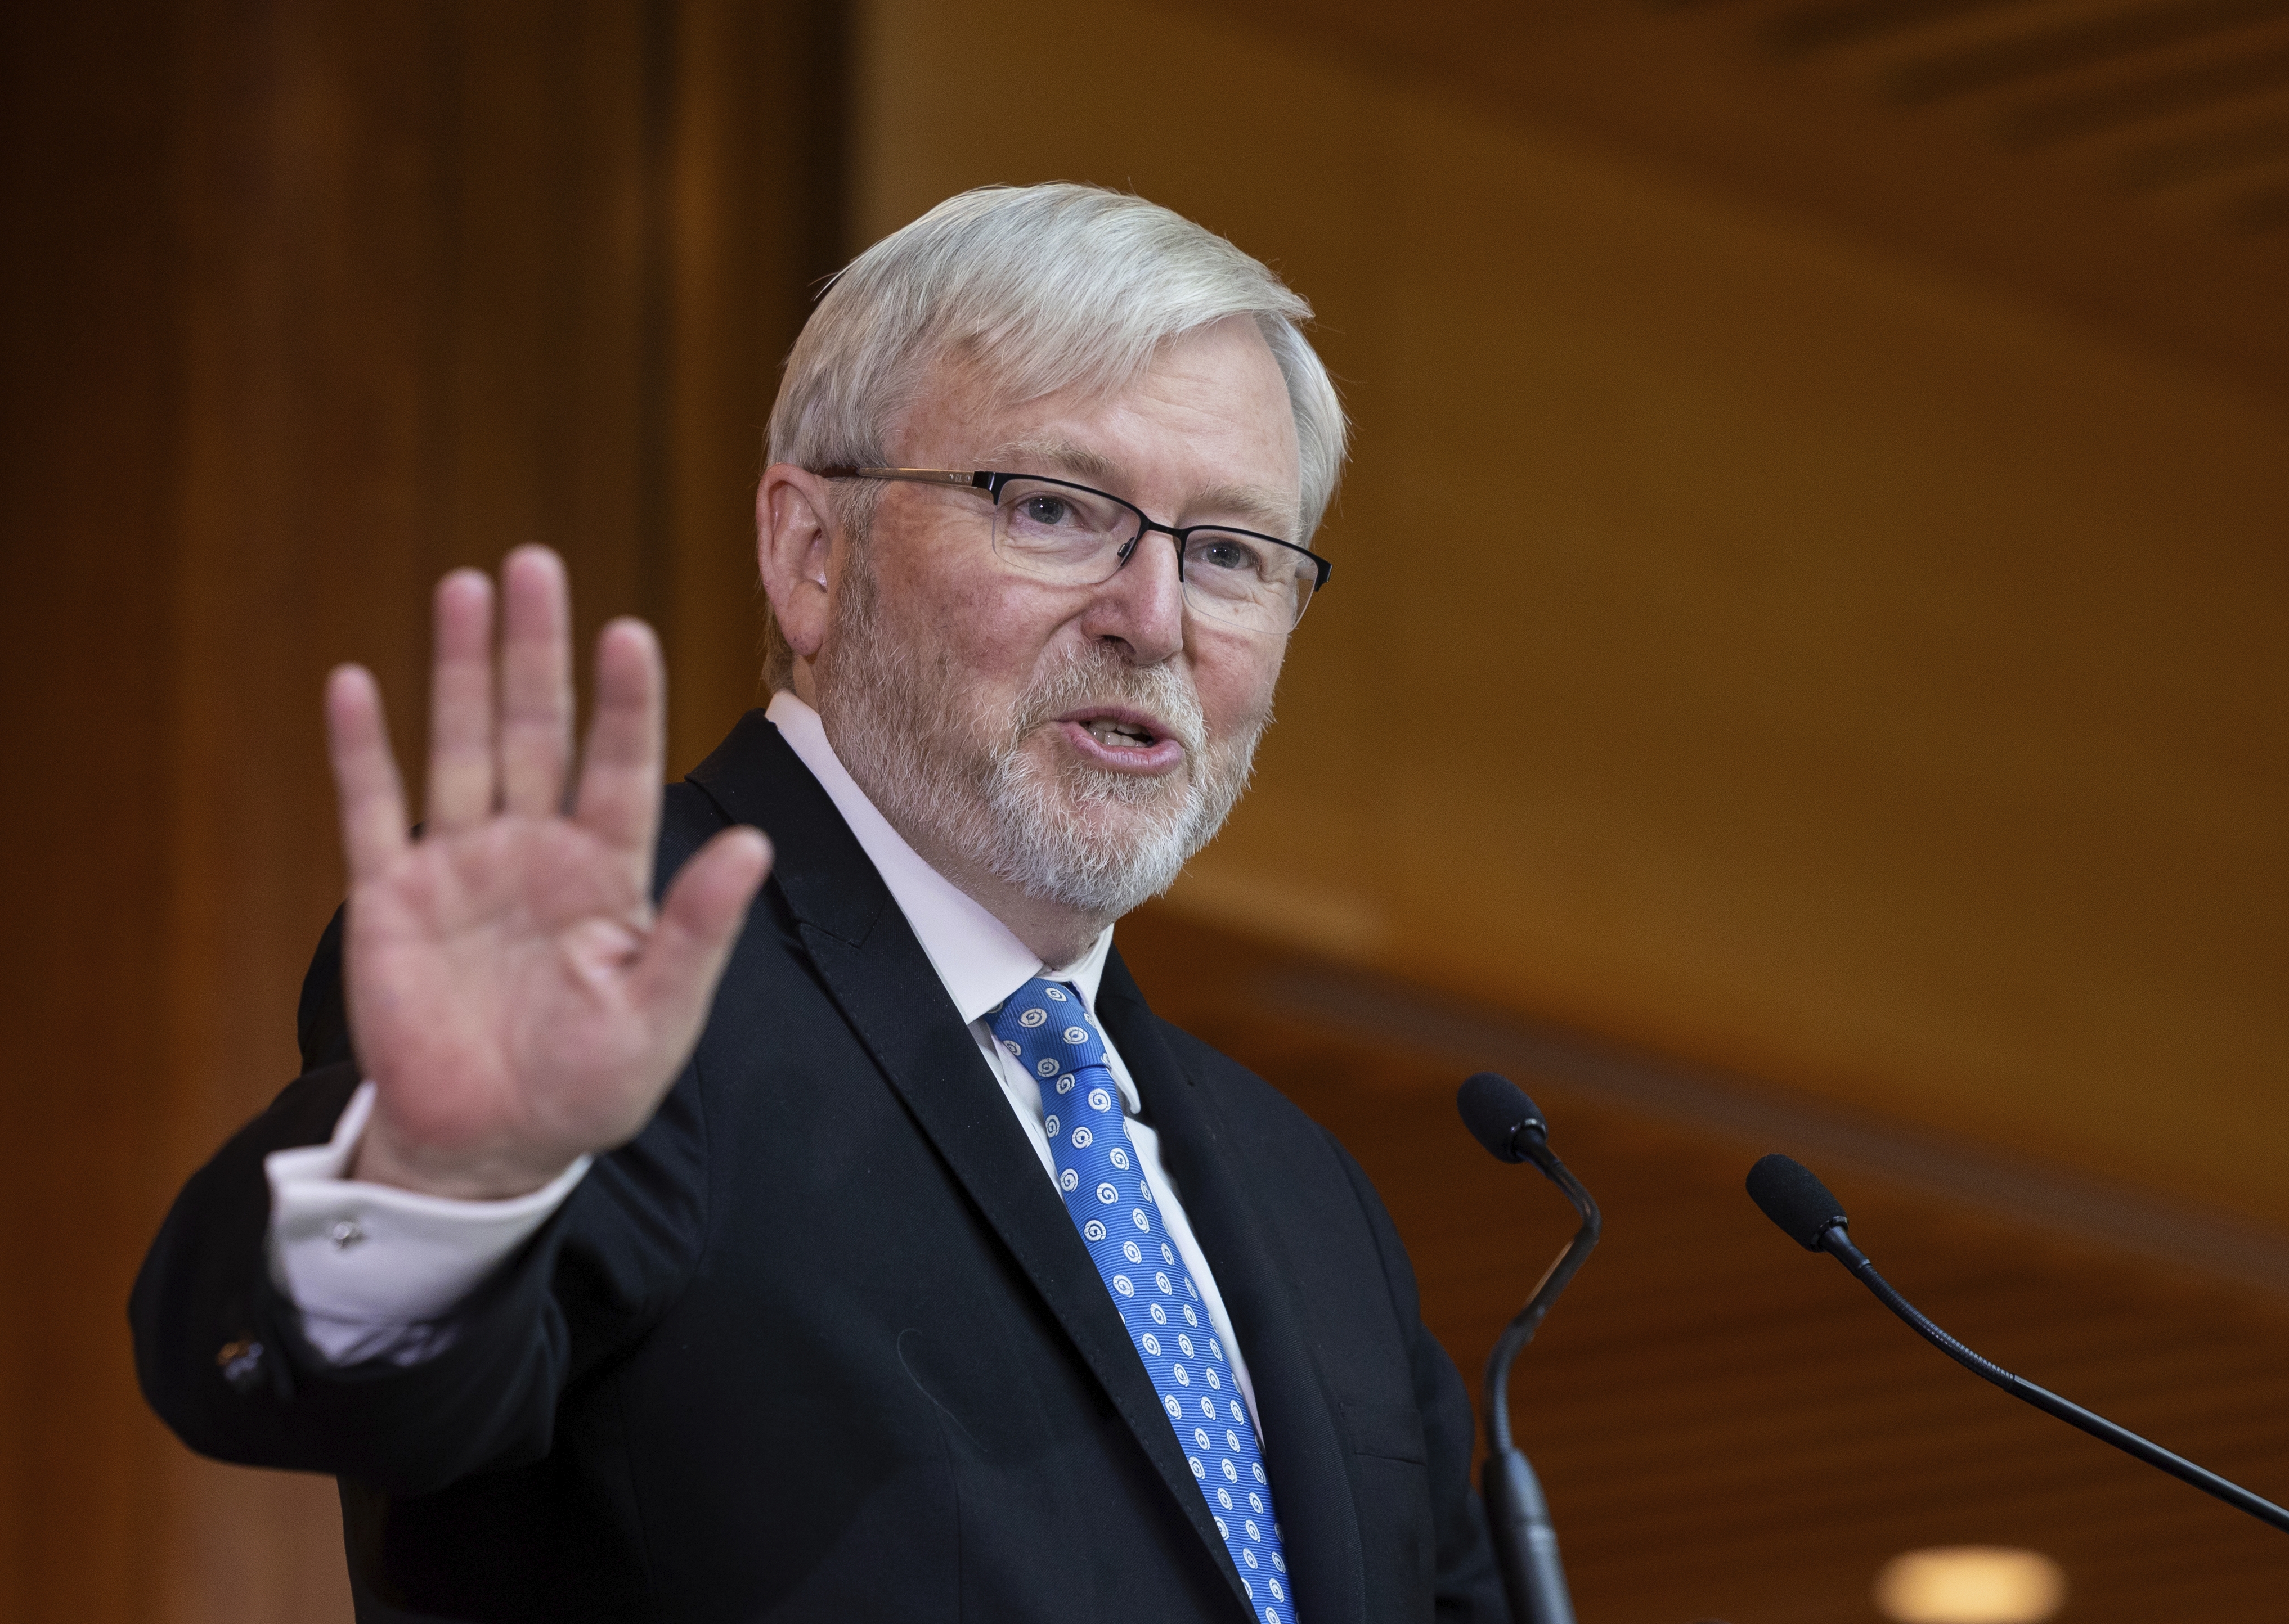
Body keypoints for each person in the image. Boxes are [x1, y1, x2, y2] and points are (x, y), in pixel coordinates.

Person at [133, 183, 1505, 1624]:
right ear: (811, 553)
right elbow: (325, 1384)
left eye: (1228, 552)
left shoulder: (1310, 1199)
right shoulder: (616, 982)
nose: (1153, 617)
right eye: (1053, 508)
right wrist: (436, 1179)